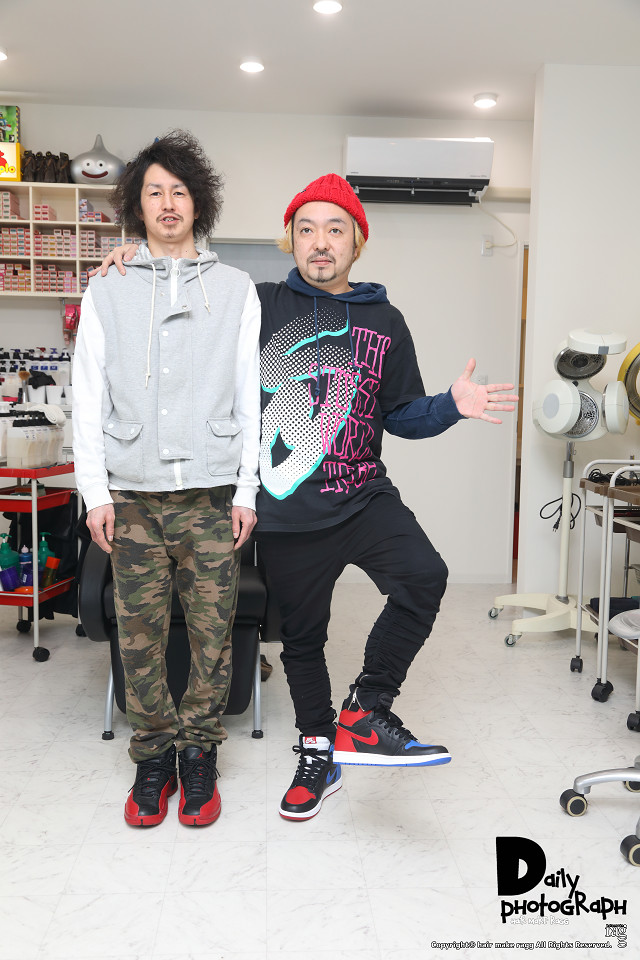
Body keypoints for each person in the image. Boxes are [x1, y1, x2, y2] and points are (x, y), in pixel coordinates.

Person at [99, 172, 517, 823]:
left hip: (364, 496)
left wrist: (450, 406)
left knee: (424, 576)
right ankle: (318, 751)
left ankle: (366, 710)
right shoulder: (255, 301)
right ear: (290, 240)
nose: (320, 242)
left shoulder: (386, 320)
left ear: (357, 242)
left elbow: (403, 414)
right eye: (307, 229)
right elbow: (183, 287)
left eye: (335, 229)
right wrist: (136, 257)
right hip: (286, 510)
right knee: (303, 640)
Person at [73, 130, 260, 828]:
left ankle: (199, 754)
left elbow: (250, 394)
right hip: (132, 497)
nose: (168, 202)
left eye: (179, 190)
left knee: (212, 635)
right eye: (154, 191)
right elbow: (87, 395)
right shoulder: (108, 286)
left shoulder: (235, 289)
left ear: (198, 202)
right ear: (138, 204)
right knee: (139, 636)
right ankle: (152, 756)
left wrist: (247, 490)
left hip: (211, 494)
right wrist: (95, 492)